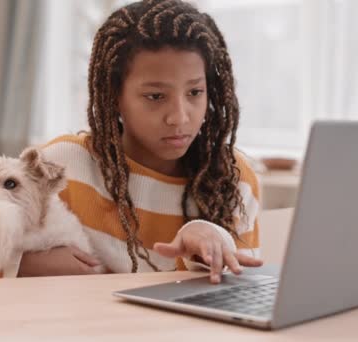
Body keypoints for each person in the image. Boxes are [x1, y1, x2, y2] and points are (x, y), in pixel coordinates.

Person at [17, 0, 263, 284]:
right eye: (156, 96)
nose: (179, 117)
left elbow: (241, 293)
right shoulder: (61, 167)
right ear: (115, 97)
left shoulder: (233, 179)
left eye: (195, 92)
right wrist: (22, 264)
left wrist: (203, 254)